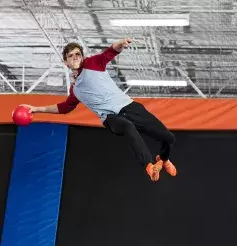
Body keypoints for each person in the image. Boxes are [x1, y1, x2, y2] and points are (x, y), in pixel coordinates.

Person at [21, 38, 177, 182]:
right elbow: (63, 107)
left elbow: (110, 52)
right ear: (65, 62)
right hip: (111, 118)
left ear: (82, 57)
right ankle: (149, 166)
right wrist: (36, 109)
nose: (75, 57)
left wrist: (120, 44)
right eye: (71, 56)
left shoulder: (93, 63)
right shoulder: (75, 90)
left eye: (78, 54)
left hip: (129, 106)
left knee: (169, 138)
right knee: (127, 126)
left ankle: (163, 159)